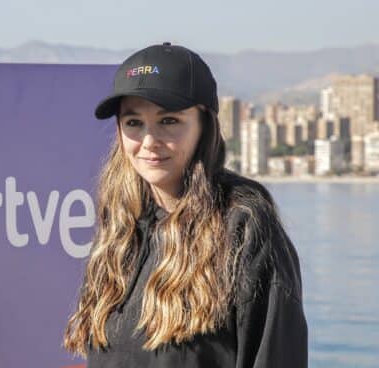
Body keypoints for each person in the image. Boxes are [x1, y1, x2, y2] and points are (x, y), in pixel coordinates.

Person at [62, 43, 308, 367]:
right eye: (133, 122)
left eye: (169, 121)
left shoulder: (243, 229)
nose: (149, 141)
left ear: (204, 125)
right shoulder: (121, 227)